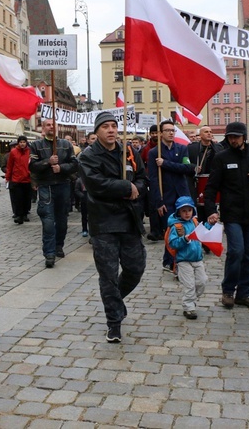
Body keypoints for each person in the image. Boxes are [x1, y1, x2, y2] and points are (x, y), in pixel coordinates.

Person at [78, 112, 147, 342]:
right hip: (104, 221)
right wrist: (126, 187)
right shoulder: (89, 156)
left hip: (129, 220)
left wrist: (135, 186)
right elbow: (96, 184)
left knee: (135, 268)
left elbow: (142, 178)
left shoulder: (129, 152)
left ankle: (116, 302)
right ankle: (114, 322)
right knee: (107, 275)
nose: (111, 130)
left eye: (114, 126)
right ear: (96, 131)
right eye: (105, 126)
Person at [203, 122, 249, 309]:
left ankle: (244, 292)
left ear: (244, 137)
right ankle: (228, 290)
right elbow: (211, 187)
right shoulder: (221, 157)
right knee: (236, 251)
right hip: (232, 213)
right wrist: (210, 210)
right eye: (230, 136)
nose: (233, 139)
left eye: (236, 137)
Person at [29, 119, 79, 268]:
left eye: (53, 124)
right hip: (46, 187)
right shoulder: (36, 145)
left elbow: (75, 165)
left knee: (62, 220)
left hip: (63, 186)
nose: (51, 127)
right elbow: (32, 166)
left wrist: (61, 168)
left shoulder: (65, 144)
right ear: (43, 128)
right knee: (48, 221)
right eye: (48, 125)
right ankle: (49, 253)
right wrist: (47, 162)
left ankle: (59, 245)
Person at [147, 120, 194, 272]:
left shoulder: (182, 149)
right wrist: (158, 201)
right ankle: (168, 260)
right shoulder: (154, 153)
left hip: (182, 194)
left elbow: (187, 168)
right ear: (161, 133)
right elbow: (153, 179)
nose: (171, 133)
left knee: (185, 228)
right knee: (170, 229)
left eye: (172, 130)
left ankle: (181, 258)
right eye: (167, 130)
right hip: (165, 196)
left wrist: (165, 164)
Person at [166, 196, 208, 320]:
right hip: (183, 260)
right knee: (189, 285)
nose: (187, 213)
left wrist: (210, 225)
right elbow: (172, 243)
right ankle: (189, 307)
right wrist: (184, 239)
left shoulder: (195, 222)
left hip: (197, 258)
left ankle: (191, 299)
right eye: (183, 211)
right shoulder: (176, 226)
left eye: (189, 210)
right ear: (178, 211)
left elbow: (204, 231)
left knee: (202, 281)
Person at [186, 126, 222, 215]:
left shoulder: (218, 148)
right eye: (206, 132)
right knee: (200, 210)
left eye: (210, 131)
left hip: (213, 181)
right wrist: (194, 168)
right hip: (197, 183)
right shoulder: (191, 148)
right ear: (200, 135)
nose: (209, 133)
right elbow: (185, 164)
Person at [5, 136, 31, 224]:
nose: (22, 144)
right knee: (18, 198)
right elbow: (10, 166)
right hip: (16, 179)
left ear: (26, 143)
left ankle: (25, 214)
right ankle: (19, 215)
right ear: (18, 143)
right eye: (21, 142)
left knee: (26, 198)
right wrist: (8, 177)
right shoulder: (13, 152)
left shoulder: (30, 152)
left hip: (27, 179)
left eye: (24, 142)